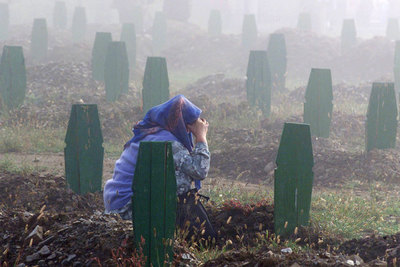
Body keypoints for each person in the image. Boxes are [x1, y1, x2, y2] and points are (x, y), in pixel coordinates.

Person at [103, 94, 216, 239]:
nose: (189, 132)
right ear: (180, 124)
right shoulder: (167, 142)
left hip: (119, 203)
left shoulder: (150, 133)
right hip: (129, 207)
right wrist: (201, 137)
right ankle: (205, 241)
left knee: (181, 182)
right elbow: (200, 170)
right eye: (188, 126)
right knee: (185, 195)